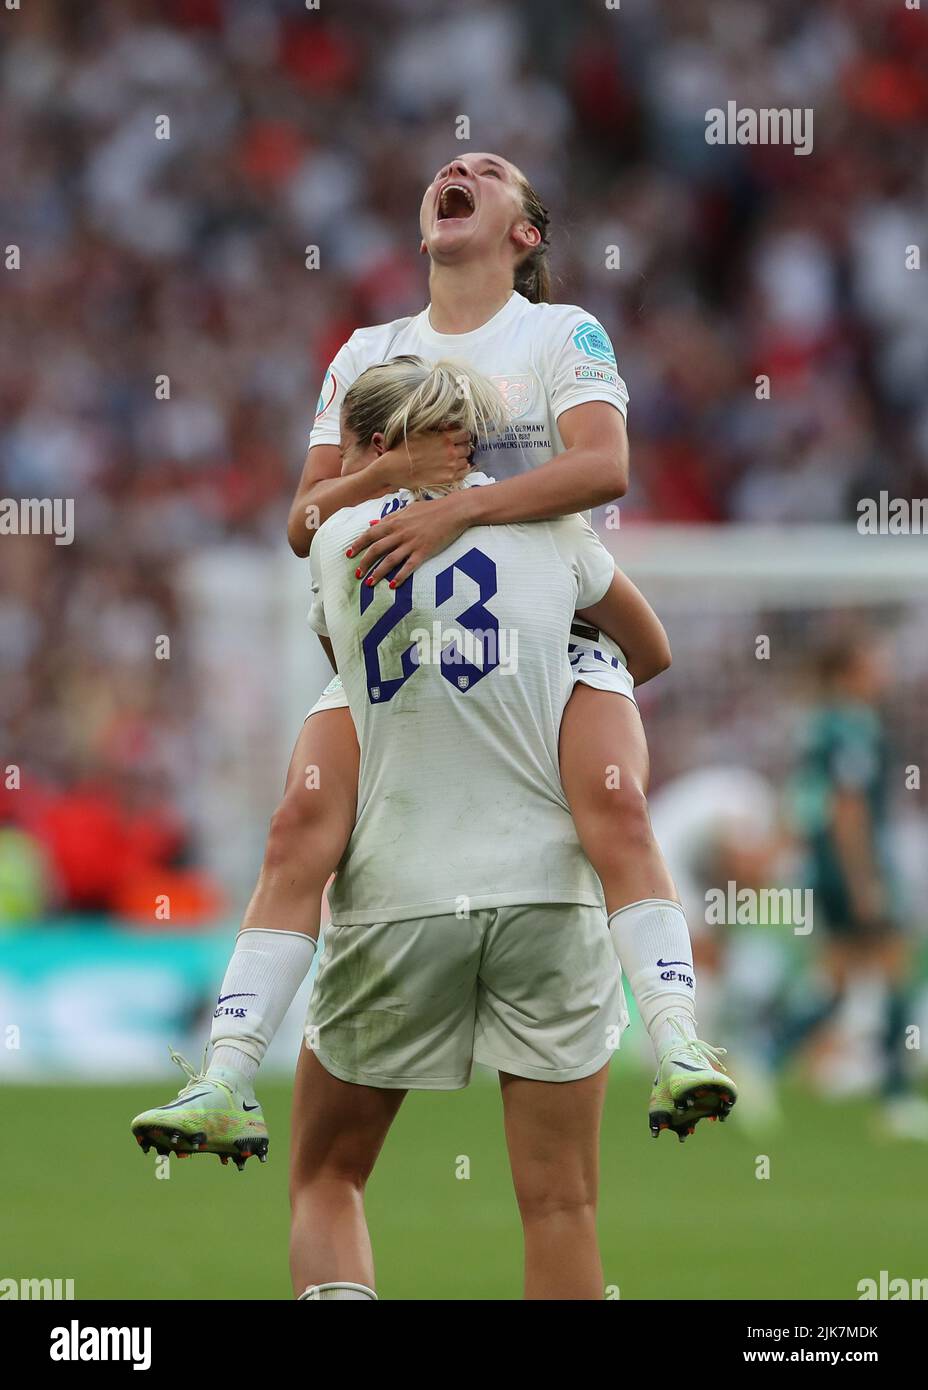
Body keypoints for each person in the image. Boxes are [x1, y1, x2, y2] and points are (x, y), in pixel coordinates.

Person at [130, 151, 736, 1168]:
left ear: (523, 233)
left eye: (491, 171)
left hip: (553, 630)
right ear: (424, 228)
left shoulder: (560, 332)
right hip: (400, 636)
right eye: (453, 167)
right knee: (298, 824)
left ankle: (679, 1039)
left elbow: (604, 467)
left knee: (615, 803)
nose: (461, 165)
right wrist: (401, 474)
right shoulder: (369, 348)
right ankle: (226, 1073)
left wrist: (455, 507)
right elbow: (301, 517)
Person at [289, 356, 675, 1300]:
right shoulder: (551, 528)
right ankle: (683, 1029)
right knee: (559, 1207)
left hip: (398, 894)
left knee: (327, 1178)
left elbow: (343, 658)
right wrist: (562, 679)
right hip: (546, 887)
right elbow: (652, 652)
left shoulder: (338, 538)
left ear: (375, 444)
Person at [776, 635, 928, 1139]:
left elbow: (805, 806)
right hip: (853, 867)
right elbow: (847, 807)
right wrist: (865, 880)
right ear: (847, 674)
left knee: (838, 982)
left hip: (825, 867)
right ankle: (896, 1098)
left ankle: (761, 1063)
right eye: (871, 664)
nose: (879, 674)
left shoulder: (817, 724)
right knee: (895, 968)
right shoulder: (851, 725)